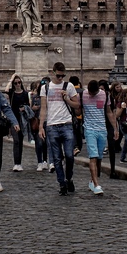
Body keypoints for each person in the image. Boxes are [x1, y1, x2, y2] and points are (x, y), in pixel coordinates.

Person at [38, 62, 80, 195]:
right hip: (52, 126)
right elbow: (43, 108)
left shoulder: (69, 86)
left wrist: (66, 98)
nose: (61, 78)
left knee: (69, 155)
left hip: (66, 123)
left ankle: (69, 178)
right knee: (56, 158)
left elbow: (77, 105)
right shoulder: (45, 87)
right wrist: (41, 127)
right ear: (53, 72)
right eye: (59, 75)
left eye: (63, 76)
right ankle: (62, 184)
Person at [80, 80, 112, 194]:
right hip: (89, 129)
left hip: (102, 129)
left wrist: (115, 128)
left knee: (99, 158)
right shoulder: (82, 94)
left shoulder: (105, 95)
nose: (91, 95)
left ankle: (92, 181)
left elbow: (108, 111)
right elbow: (78, 108)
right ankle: (97, 185)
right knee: (93, 156)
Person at [7, 75, 33, 171]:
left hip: (22, 120)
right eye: (15, 83)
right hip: (14, 120)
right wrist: (12, 77)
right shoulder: (12, 93)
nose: (17, 84)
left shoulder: (25, 94)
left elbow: (28, 105)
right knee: (16, 141)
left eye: (19, 82)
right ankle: (16, 163)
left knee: (20, 141)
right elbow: (6, 89)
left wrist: (24, 108)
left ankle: (19, 163)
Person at [30, 81, 48, 171]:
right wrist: (33, 108)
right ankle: (39, 162)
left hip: (48, 121)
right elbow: (31, 109)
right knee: (39, 143)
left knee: (46, 143)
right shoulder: (35, 97)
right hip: (38, 121)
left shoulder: (49, 97)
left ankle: (45, 161)